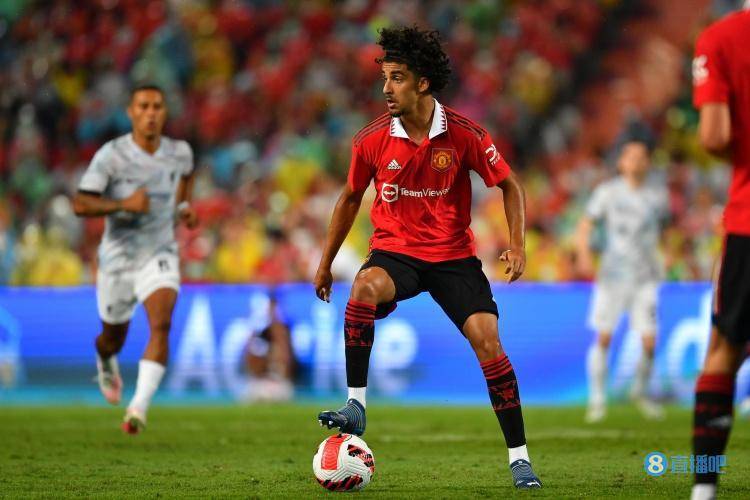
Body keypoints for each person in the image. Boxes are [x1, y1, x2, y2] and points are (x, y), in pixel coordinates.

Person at [312, 26, 541, 489]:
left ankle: (519, 459)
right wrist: (325, 262)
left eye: (396, 78)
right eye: (384, 77)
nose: (386, 88)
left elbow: (510, 184)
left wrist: (517, 244)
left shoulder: (465, 134)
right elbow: (350, 198)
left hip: (453, 257)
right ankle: (356, 404)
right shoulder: (371, 139)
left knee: (489, 342)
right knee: (363, 287)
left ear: (422, 83)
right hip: (396, 252)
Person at [72, 84, 197, 434]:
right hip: (117, 260)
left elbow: (186, 179)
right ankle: (104, 358)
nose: (151, 113)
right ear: (131, 112)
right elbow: (81, 203)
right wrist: (122, 204)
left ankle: (138, 407)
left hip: (159, 252)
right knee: (112, 338)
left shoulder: (180, 152)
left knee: (162, 324)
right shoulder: (111, 155)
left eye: (157, 106)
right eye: (143, 106)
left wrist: (183, 208)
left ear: (165, 112)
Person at [690, 5, 750, 499]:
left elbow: (715, 136)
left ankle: (704, 489)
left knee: (724, 352)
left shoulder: (722, 37)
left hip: (749, 220)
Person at [576, 138, 669, 423]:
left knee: (650, 342)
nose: (637, 161)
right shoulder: (607, 192)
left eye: (642, 157)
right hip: (613, 276)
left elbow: (662, 232)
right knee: (604, 336)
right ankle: (597, 400)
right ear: (621, 162)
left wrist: (664, 256)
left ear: (648, 163)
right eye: (631, 156)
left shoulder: (657, 197)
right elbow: (586, 224)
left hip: (645, 277)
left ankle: (639, 392)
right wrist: (584, 254)